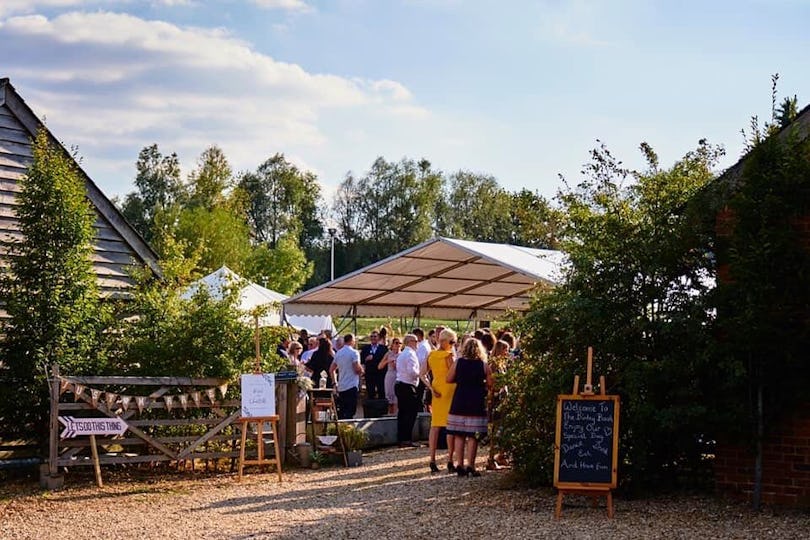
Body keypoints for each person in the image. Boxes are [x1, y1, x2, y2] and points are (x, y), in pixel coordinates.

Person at [447, 338, 493, 477]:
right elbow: (491, 384)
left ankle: (459, 464)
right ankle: (471, 466)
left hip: (460, 398)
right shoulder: (483, 365)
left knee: (459, 434)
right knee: (473, 435)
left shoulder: (458, 362)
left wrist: (461, 379)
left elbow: (448, 379)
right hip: (476, 400)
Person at [422, 329, 458, 473]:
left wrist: (431, 388)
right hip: (450, 390)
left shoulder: (431, 355)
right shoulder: (449, 356)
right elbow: (454, 374)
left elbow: (421, 374)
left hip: (436, 389)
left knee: (435, 425)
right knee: (450, 426)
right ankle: (450, 459)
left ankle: (432, 459)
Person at [486, 340, 511, 470]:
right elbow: (492, 384)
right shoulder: (494, 365)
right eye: (505, 349)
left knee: (502, 429)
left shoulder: (502, 364)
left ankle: (501, 456)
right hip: (496, 401)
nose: (507, 352)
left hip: (502, 400)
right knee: (496, 430)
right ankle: (491, 459)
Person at [395, 334, 421, 447]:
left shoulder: (402, 354)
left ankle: (401, 438)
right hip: (408, 385)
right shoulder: (411, 354)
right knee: (410, 413)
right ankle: (407, 439)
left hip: (400, 384)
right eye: (415, 341)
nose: (417, 343)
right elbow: (412, 372)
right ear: (410, 342)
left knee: (402, 413)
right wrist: (420, 374)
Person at [330, 334, 363, 420]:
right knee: (350, 411)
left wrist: (335, 382)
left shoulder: (338, 353)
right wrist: (362, 370)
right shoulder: (354, 353)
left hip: (341, 385)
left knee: (342, 410)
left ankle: (341, 428)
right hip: (351, 385)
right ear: (352, 341)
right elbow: (356, 368)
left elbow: (331, 369)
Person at [360, 330, 388, 400]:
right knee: (370, 392)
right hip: (370, 374)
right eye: (371, 336)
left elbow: (385, 360)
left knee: (381, 392)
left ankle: (381, 408)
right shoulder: (365, 348)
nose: (373, 338)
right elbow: (361, 360)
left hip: (380, 374)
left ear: (378, 337)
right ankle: (371, 409)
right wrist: (366, 359)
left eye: (375, 336)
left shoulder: (383, 348)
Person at [378, 337, 401, 414]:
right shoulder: (388, 354)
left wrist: (396, 365)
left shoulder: (402, 355)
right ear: (393, 344)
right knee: (389, 398)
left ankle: (395, 414)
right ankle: (389, 414)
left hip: (398, 376)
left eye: (400, 343)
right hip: (390, 376)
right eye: (396, 343)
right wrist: (387, 361)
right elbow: (380, 366)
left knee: (396, 398)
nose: (398, 345)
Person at [413, 328, 432, 411]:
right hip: (422, 373)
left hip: (421, 373)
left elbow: (419, 361)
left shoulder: (422, 347)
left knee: (419, 398)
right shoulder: (424, 345)